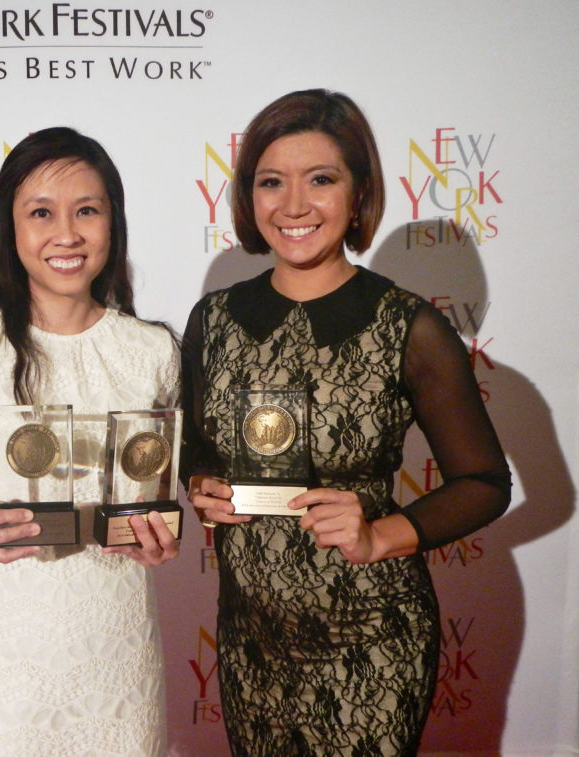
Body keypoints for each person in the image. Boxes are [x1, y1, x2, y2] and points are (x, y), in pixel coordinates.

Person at [181, 90, 511, 756]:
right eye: (271, 182)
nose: (294, 204)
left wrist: (383, 534)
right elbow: (195, 448)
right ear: (249, 199)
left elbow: (484, 481)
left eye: (321, 179)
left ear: (358, 194)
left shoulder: (408, 325)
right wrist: (201, 484)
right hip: (251, 641)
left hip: (374, 640)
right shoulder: (211, 320)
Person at [0, 126, 180, 756]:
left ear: (114, 221)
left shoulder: (153, 350)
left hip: (115, 645)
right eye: (42, 213)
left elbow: (154, 490)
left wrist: (161, 534)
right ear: (11, 228)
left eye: (87, 211)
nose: (67, 234)